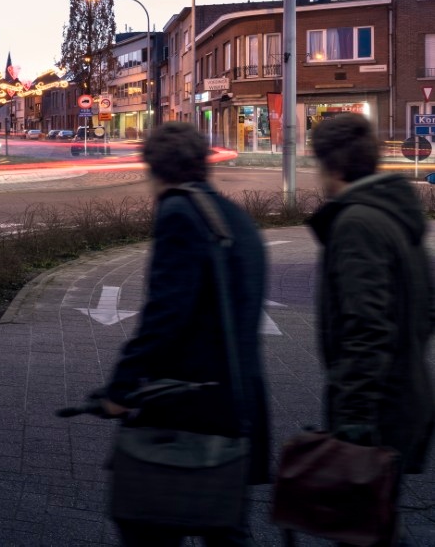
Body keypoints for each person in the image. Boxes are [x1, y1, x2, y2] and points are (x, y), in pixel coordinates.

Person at [103, 121, 271, 546]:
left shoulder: (180, 212)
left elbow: (165, 312)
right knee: (224, 527)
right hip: (237, 401)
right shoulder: (234, 217)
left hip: (188, 402)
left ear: (155, 169)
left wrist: (121, 387)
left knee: (147, 523)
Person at [307, 112, 432, 543]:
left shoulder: (357, 222)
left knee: (363, 530)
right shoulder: (394, 214)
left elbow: (367, 328)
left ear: (333, 166)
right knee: (376, 524)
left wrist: (354, 422)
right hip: (403, 400)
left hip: (377, 415)